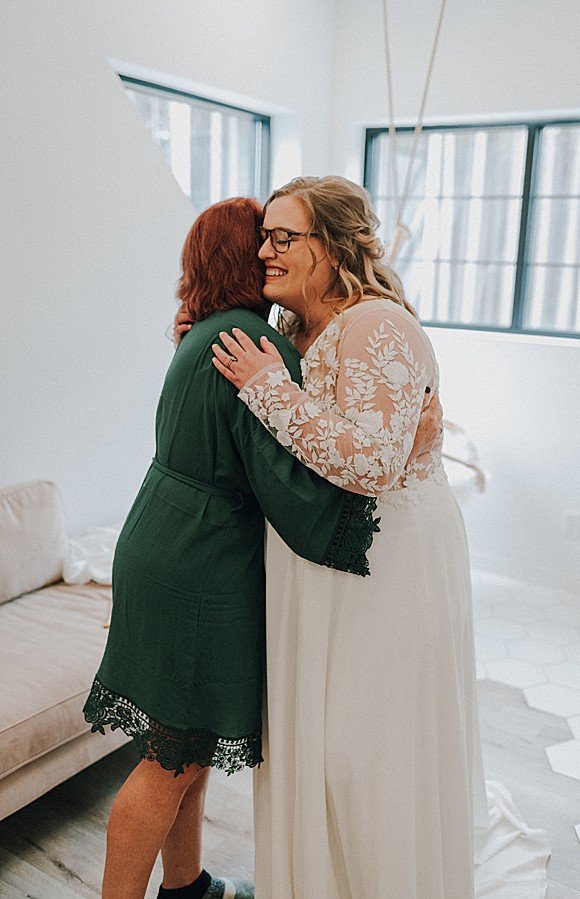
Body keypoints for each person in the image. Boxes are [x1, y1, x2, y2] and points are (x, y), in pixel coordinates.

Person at [209, 176, 549, 896]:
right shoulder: (292, 326)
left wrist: (270, 388)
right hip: (319, 558)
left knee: (362, 746)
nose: (266, 250)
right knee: (322, 744)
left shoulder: (378, 325)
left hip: (386, 560)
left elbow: (371, 463)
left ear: (332, 247)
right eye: (264, 236)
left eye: (284, 237)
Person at [83, 198, 379, 899]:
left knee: (185, 744)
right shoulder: (254, 344)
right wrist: (367, 499)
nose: (273, 252)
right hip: (200, 560)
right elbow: (282, 477)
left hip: (160, 537)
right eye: (265, 241)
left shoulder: (202, 332)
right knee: (171, 760)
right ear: (244, 257)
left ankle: (186, 886)